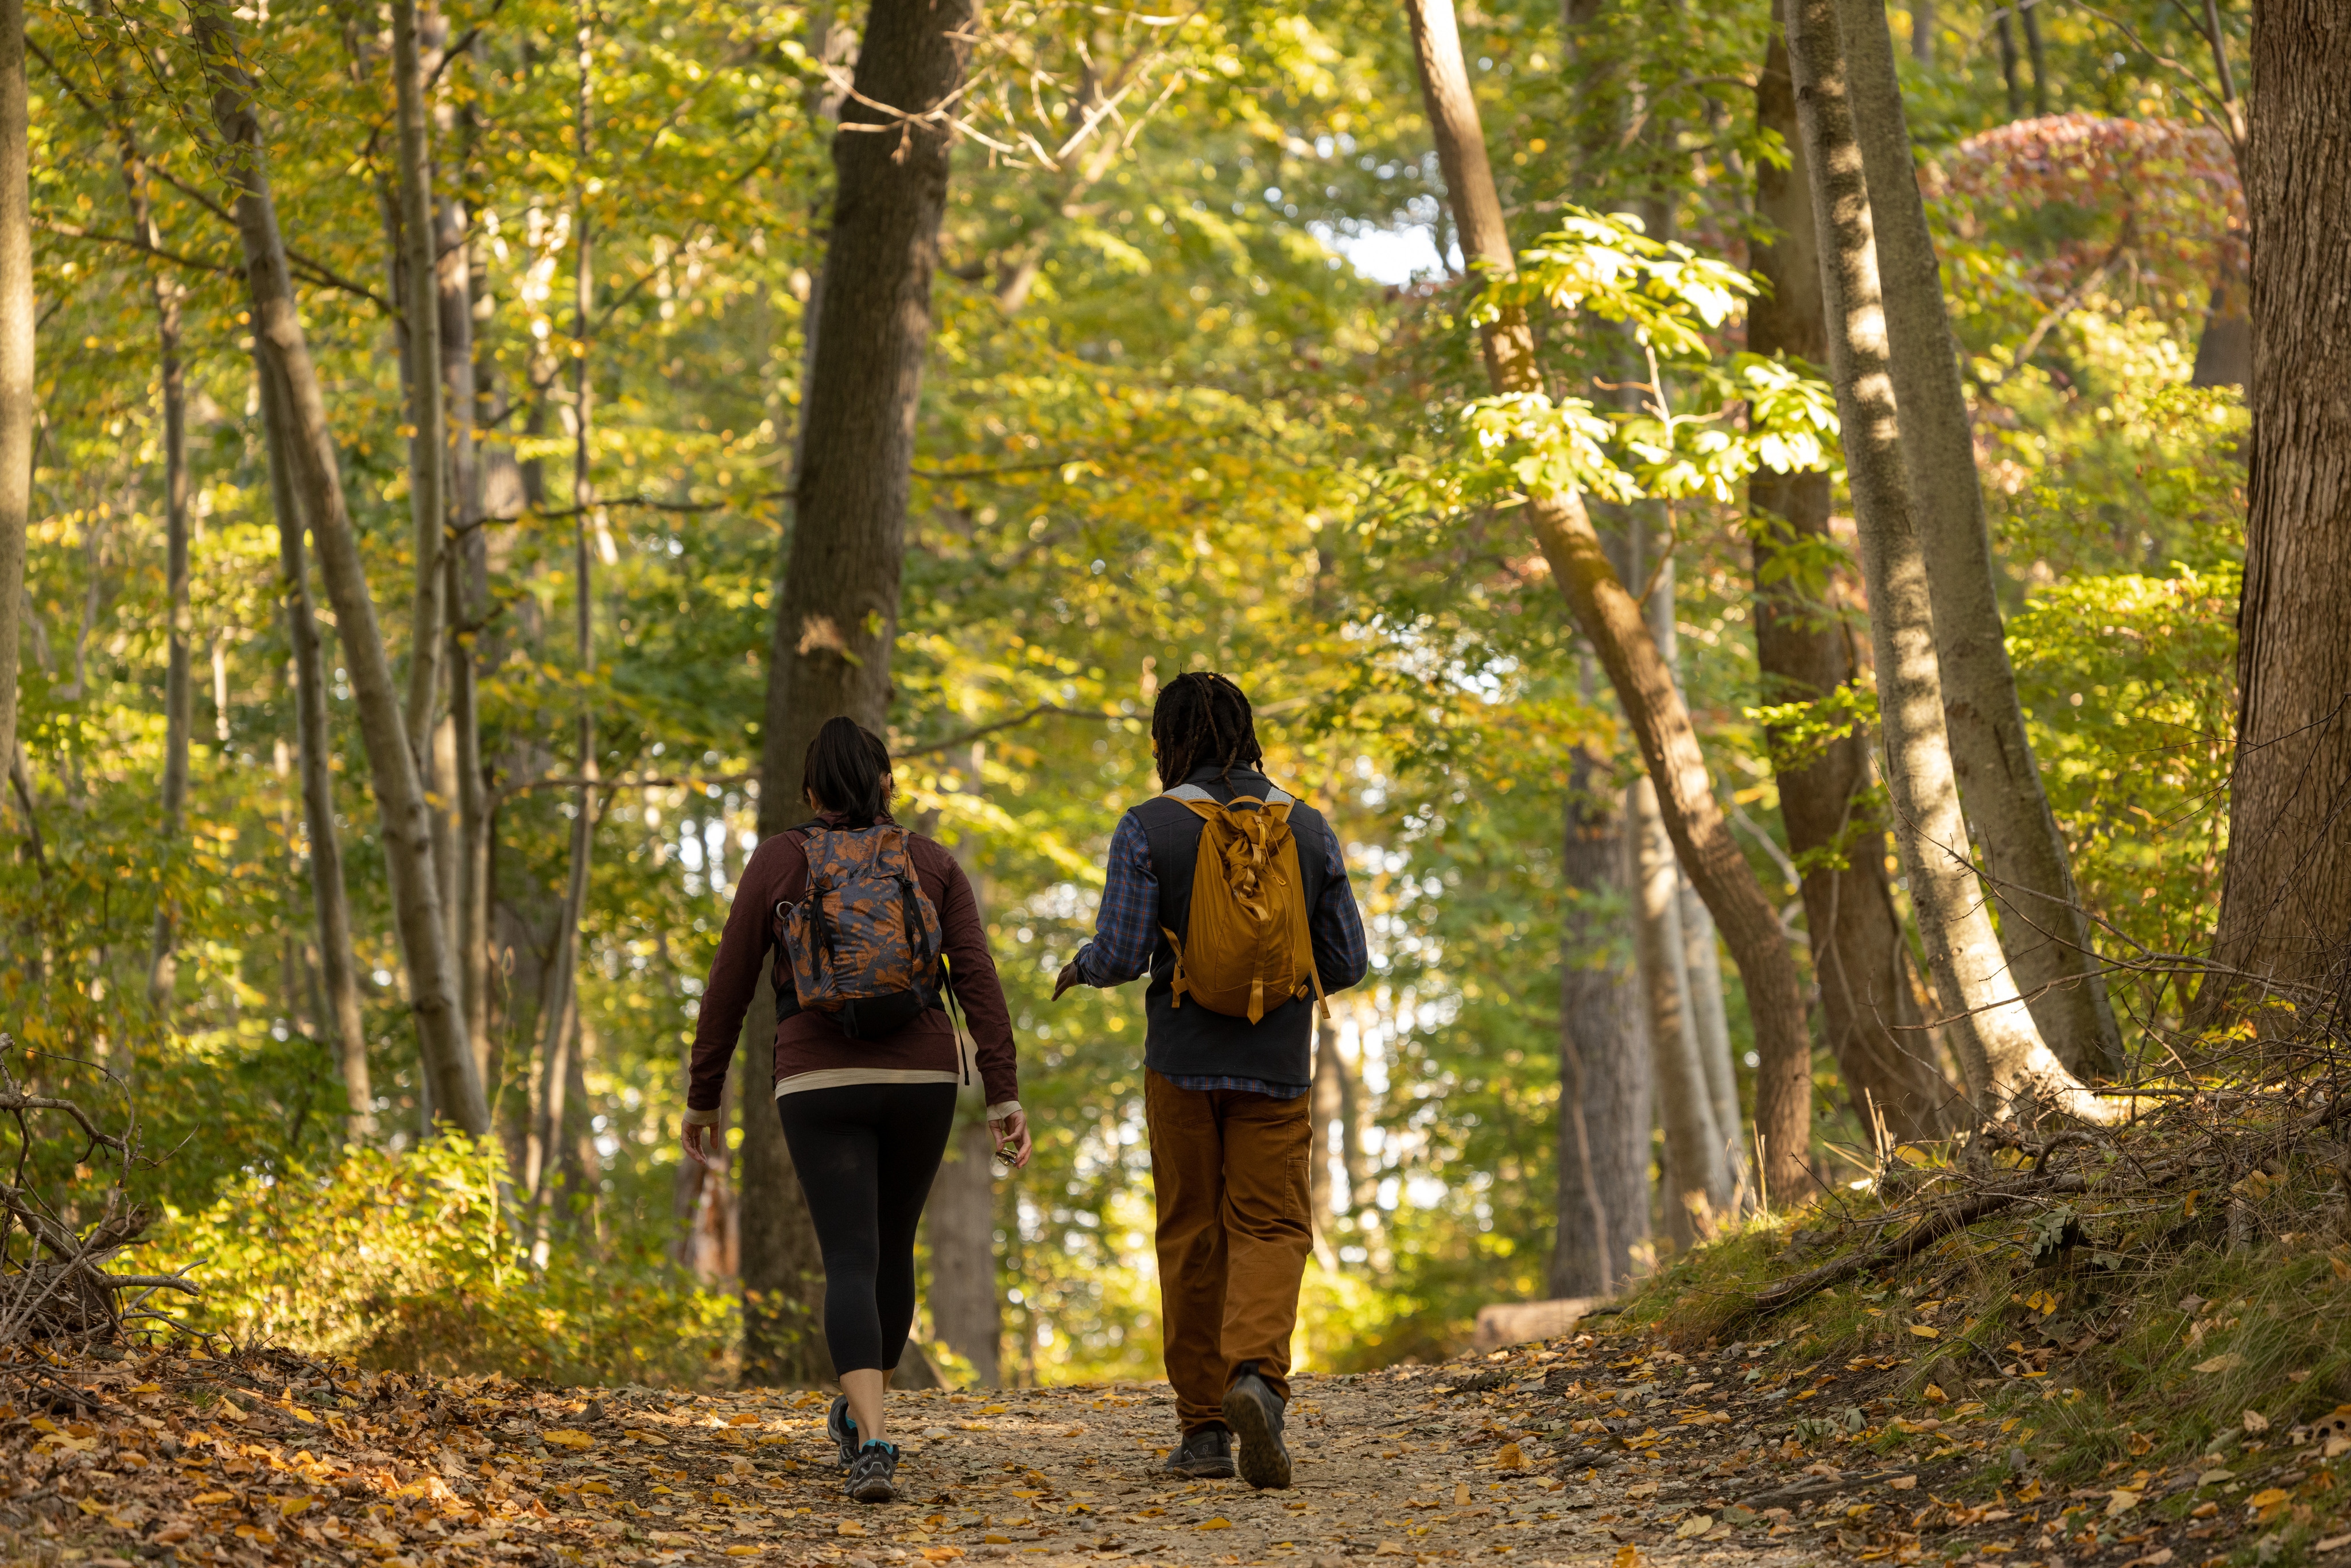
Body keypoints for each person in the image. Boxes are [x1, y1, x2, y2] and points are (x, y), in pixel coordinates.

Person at [681, 716, 1028, 1504]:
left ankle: (869, 1437)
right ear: (887, 786)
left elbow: (729, 984)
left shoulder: (780, 859)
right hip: (922, 1079)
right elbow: (978, 980)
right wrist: (1002, 1090)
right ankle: (868, 1417)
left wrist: (705, 1095)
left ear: (809, 792)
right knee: (893, 1250)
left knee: (849, 1255)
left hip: (817, 1079)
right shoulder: (931, 861)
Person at [1054, 672, 1368, 1489]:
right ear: (1247, 733)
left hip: (1181, 1066)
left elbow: (1122, 956)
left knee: (1191, 1233)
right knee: (1271, 1229)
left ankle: (1200, 1437)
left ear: (1168, 743)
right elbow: (1347, 962)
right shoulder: (1308, 828)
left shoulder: (1148, 826)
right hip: (1277, 1066)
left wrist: (1082, 968)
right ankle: (1256, 1379)